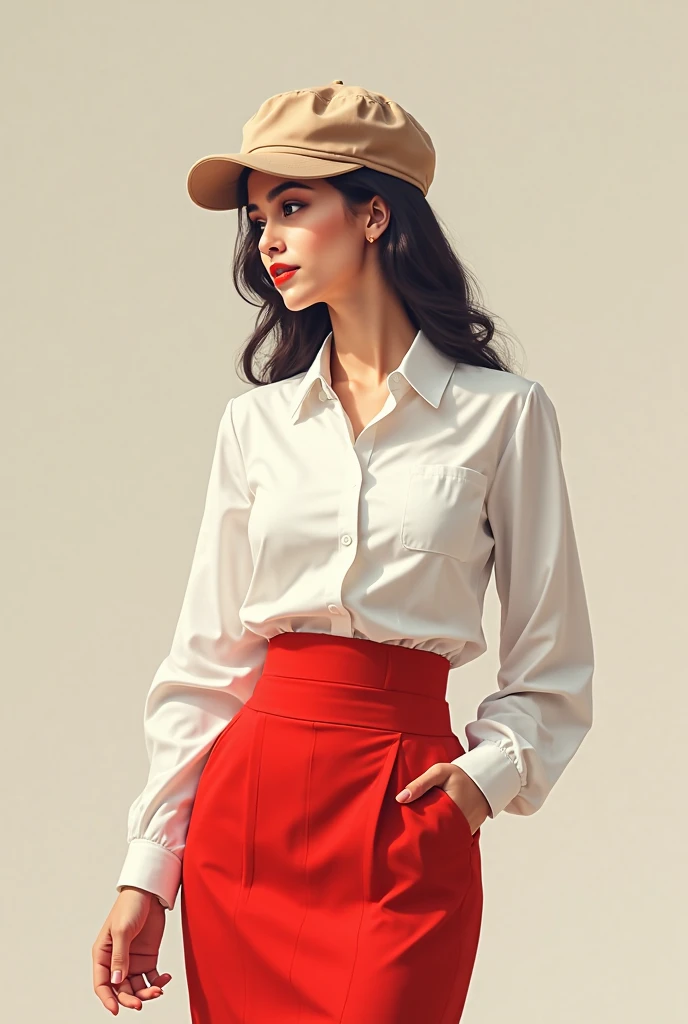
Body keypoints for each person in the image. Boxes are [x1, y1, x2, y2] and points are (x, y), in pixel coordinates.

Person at [91, 80, 595, 1021]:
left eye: (291, 206)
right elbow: (206, 659)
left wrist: (481, 787)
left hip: (402, 806)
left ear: (374, 213)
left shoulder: (504, 415)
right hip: (249, 812)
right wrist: (148, 870)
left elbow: (553, 660)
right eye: (256, 219)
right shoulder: (256, 426)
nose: (266, 240)